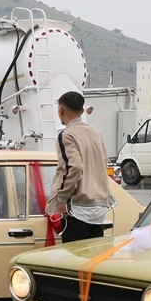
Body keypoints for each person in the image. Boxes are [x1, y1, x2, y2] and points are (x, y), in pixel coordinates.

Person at [48, 91, 114, 243]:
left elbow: (74, 167)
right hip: (99, 208)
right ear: (82, 111)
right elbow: (104, 163)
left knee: (73, 261)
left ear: (61, 110)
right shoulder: (95, 132)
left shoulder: (66, 135)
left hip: (78, 208)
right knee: (92, 260)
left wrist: (62, 198)